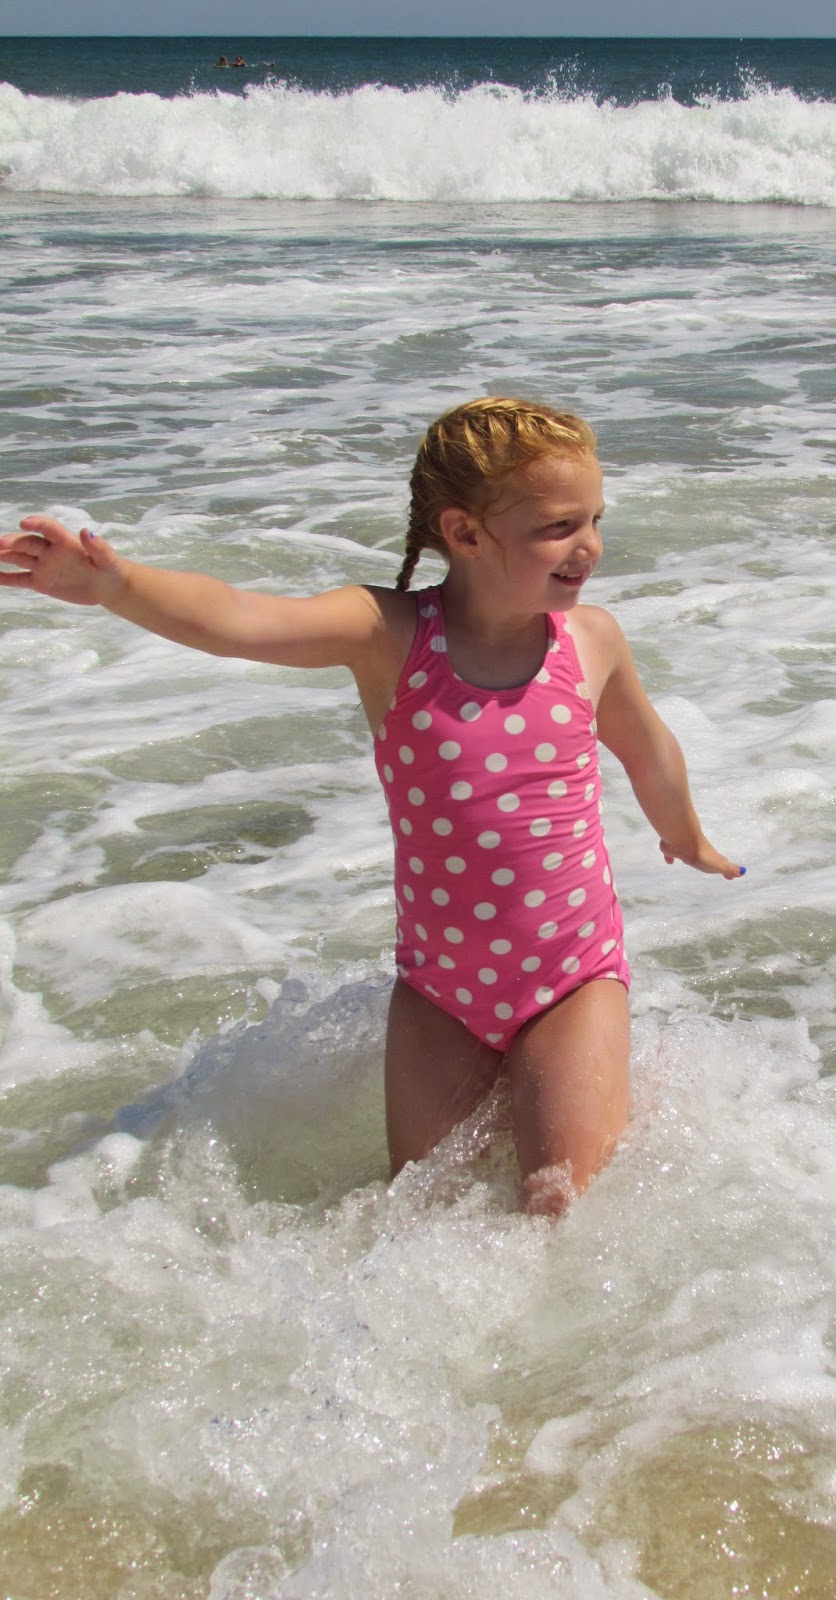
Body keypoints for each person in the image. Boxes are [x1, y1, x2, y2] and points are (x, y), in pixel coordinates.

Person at [0, 398, 742, 1215]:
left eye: (595, 518)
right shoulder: (390, 635)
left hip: (572, 980)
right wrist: (118, 585)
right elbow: (244, 620)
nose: (590, 546)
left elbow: (649, 749)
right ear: (463, 533)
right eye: (559, 526)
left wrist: (689, 836)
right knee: (420, 1210)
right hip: (438, 995)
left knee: (554, 1203)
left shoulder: (591, 640)